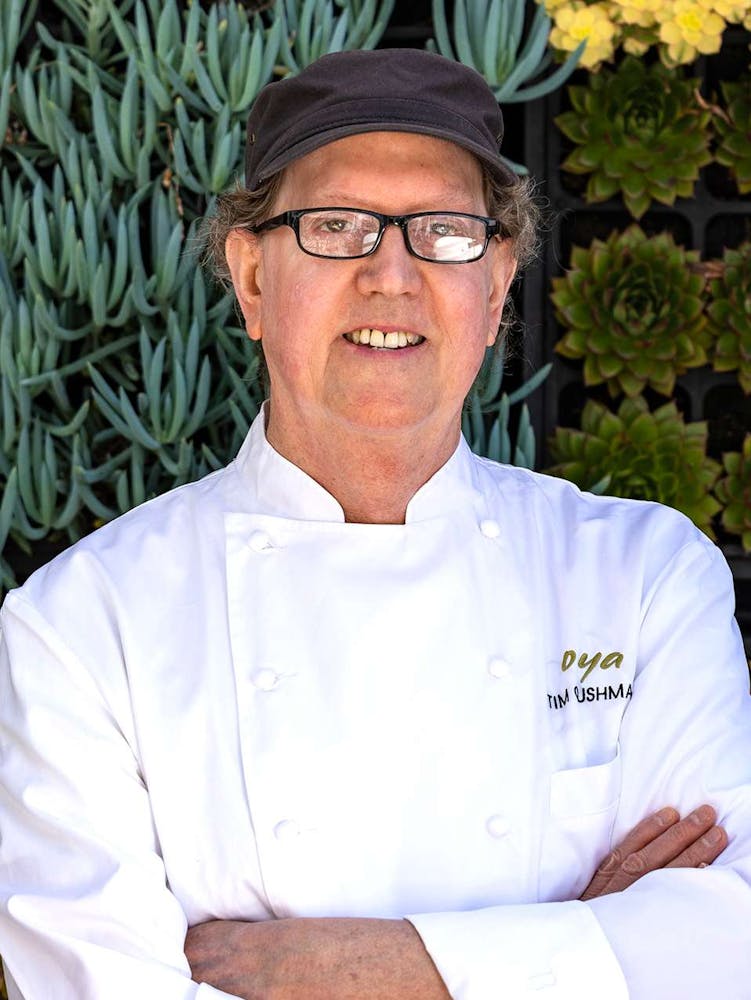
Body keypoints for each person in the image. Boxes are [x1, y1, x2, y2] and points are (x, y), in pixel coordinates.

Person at [1, 46, 750, 1000]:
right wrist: (581, 943)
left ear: (497, 289)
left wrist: (364, 967)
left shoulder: (644, 576)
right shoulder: (80, 628)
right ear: (252, 281)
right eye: (336, 226)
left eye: (443, 232)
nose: (391, 274)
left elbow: (731, 940)